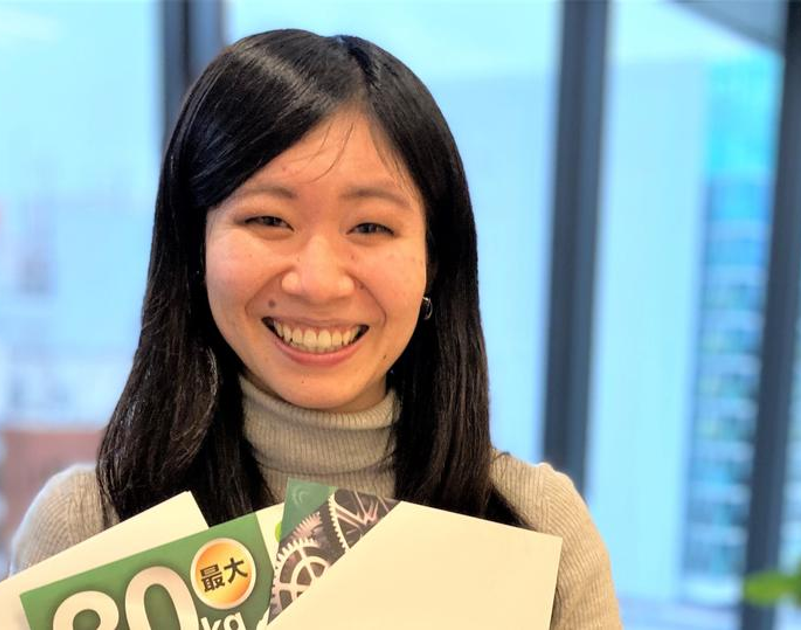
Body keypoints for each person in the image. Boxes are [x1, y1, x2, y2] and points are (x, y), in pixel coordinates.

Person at [9, 29, 620, 627]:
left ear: (434, 260)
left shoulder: (536, 526)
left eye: (371, 227)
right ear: (196, 246)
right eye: (269, 220)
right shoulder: (89, 532)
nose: (319, 282)